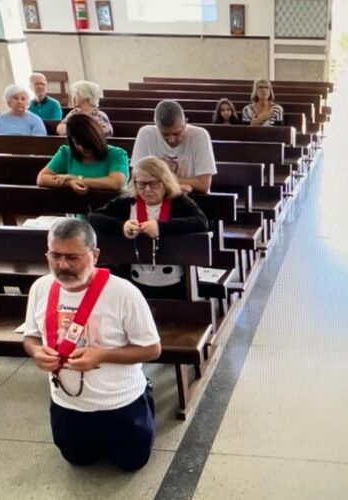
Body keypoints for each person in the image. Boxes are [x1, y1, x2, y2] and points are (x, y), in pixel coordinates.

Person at [21, 217, 161, 471]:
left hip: (119, 401)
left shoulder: (123, 292)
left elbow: (152, 349)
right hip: (68, 403)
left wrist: (102, 355)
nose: (62, 265)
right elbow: (30, 336)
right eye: (55, 256)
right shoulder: (40, 287)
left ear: (95, 255)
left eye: (73, 257)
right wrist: (36, 352)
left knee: (132, 463)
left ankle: (145, 400)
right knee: (77, 460)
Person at [89, 156, 208, 298]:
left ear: (165, 182)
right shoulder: (127, 201)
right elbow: (94, 218)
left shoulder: (178, 200)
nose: (147, 189)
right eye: (141, 184)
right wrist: (121, 227)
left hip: (176, 281)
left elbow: (201, 222)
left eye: (153, 184)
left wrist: (161, 227)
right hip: (133, 279)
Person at [131, 100, 217, 193]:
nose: (171, 139)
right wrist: (175, 185)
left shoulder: (200, 135)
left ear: (185, 122)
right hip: (155, 199)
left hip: (194, 199)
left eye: (177, 133)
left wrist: (157, 182)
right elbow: (136, 179)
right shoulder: (146, 134)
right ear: (157, 126)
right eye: (165, 134)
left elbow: (203, 184)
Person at [37, 113, 128, 193]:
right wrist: (69, 183)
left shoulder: (117, 154)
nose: (82, 148)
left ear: (96, 139)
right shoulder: (66, 152)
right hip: (76, 210)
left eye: (85, 143)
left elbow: (116, 183)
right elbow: (42, 178)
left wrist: (78, 178)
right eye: (77, 143)